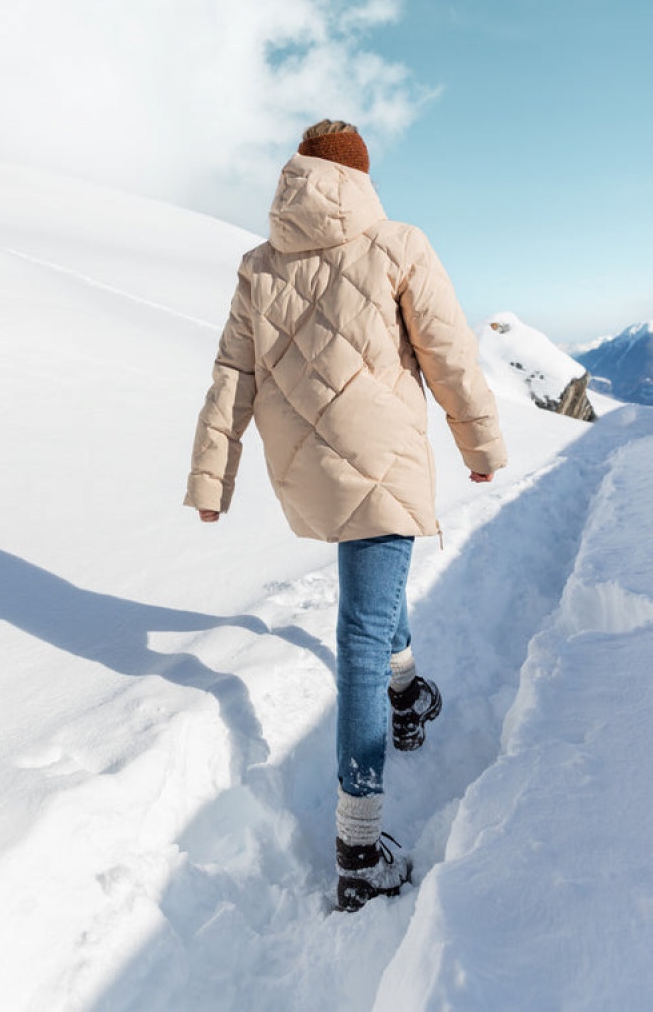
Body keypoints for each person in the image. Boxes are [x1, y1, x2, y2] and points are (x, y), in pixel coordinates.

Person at [184, 119, 507, 911]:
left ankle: (406, 695)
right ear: (360, 178)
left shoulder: (259, 265)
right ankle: (359, 848)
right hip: (384, 462)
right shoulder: (396, 242)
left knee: (373, 594)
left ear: (296, 177)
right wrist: (481, 441)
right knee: (362, 629)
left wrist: (211, 479)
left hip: (308, 470)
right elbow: (449, 352)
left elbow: (233, 375)